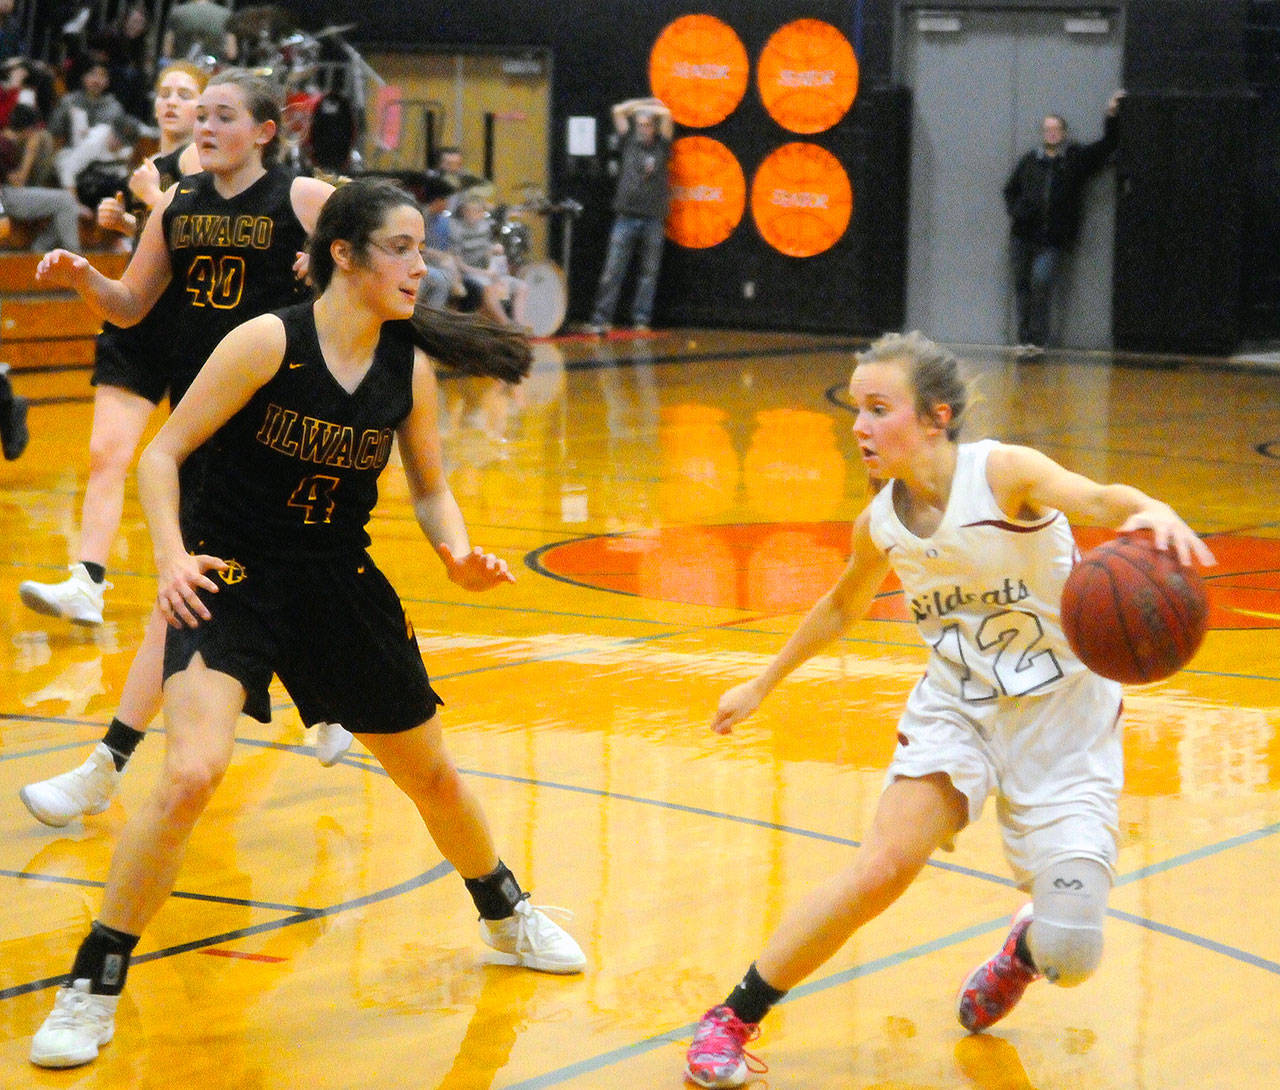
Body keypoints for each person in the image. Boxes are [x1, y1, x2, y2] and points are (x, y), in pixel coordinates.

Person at [27, 177, 585, 1071]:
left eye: (419, 248)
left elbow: (432, 487)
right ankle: (92, 982)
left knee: (433, 777)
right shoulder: (265, 341)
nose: (419, 264)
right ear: (343, 254)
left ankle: (506, 912)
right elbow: (163, 455)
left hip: (338, 584)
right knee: (190, 776)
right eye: (400, 248)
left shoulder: (408, 366)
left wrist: (458, 555)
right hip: (231, 576)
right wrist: (170, 556)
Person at [682, 330, 1215, 1088]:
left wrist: (1150, 508)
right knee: (882, 868)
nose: (859, 426)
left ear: (935, 417)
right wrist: (761, 683)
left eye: (878, 408)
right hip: (958, 708)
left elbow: (1099, 500)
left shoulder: (1004, 475)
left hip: (1064, 719)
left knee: (1073, 954)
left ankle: (1024, 952)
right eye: (855, 410)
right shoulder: (882, 523)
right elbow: (840, 607)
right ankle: (730, 1018)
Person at [19, 69, 351, 829]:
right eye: (199, 115)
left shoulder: (300, 197)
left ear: (265, 131)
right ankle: (321, 701)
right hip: (203, 426)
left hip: (280, 425)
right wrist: (83, 279)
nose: (203, 126)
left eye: (222, 116)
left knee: (205, 591)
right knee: (203, 592)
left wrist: (324, 261)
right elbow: (132, 305)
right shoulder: (176, 205)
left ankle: (105, 770)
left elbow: (375, 239)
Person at [1003, 91, 1123, 357]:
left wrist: (1112, 114)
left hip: (1053, 240)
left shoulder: (1076, 159)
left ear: (1064, 133)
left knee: (1040, 282)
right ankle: (1025, 340)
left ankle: (1038, 339)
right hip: (1023, 236)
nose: (1052, 133)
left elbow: (1107, 145)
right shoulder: (1029, 161)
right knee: (1022, 286)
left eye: (1056, 129)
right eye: (1048, 129)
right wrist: (1017, 212)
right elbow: (1010, 190)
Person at [588, 95, 673, 335]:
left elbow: (668, 115)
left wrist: (652, 111)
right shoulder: (629, 142)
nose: (643, 129)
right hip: (625, 216)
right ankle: (601, 318)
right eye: (640, 125)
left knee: (648, 273)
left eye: (647, 125)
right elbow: (617, 110)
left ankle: (641, 319)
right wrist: (644, 103)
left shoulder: (661, 145)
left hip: (653, 218)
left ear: (654, 127)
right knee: (613, 270)